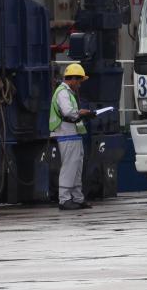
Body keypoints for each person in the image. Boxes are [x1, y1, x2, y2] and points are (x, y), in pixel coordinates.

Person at [51, 62, 95, 211]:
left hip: (73, 134)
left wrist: (84, 114)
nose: (80, 85)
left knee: (76, 167)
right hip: (66, 134)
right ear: (74, 79)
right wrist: (84, 113)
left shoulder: (67, 92)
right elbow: (68, 112)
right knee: (69, 167)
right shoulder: (63, 92)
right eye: (80, 81)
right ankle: (64, 200)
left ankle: (77, 198)